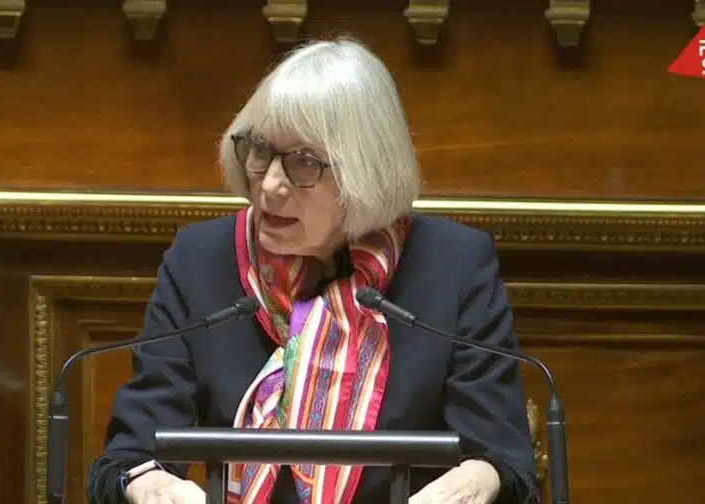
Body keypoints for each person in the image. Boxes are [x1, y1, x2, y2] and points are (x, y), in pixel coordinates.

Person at [88, 36, 538, 504]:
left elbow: (503, 458)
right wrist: (149, 484)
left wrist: (479, 479)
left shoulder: (454, 266)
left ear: (365, 173)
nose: (270, 184)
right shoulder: (200, 260)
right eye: (259, 150)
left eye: (303, 162)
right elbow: (131, 452)